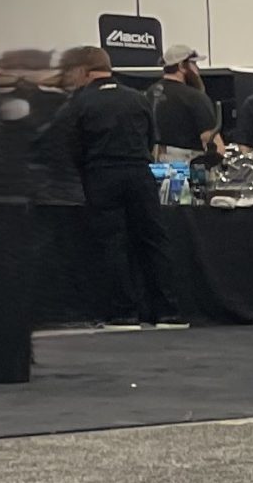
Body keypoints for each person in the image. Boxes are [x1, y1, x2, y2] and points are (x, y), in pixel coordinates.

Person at [40, 45, 173, 328]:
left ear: (81, 72)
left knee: (112, 243)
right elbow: (151, 140)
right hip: (140, 173)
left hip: (101, 175)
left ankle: (124, 313)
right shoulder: (138, 98)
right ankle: (167, 312)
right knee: (153, 240)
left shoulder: (78, 103)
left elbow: (65, 145)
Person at [149, 44, 221, 163]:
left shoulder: (149, 94)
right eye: (194, 64)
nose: (197, 70)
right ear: (182, 66)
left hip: (154, 165)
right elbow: (212, 143)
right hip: (188, 168)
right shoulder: (195, 97)